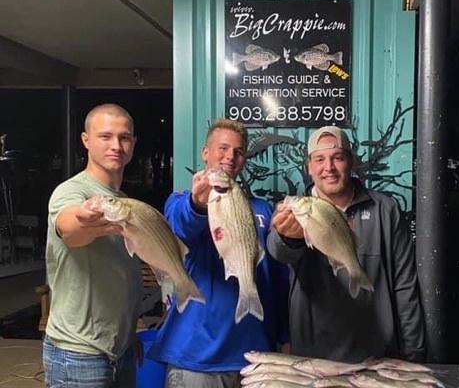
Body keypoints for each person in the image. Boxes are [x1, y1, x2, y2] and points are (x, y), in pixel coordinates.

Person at [148, 118, 289, 388]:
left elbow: (277, 278)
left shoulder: (262, 209)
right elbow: (181, 225)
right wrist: (198, 203)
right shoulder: (182, 200)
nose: (230, 157)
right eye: (222, 148)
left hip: (255, 358)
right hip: (197, 359)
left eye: (238, 151)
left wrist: (284, 335)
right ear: (206, 153)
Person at [267, 125, 426, 363]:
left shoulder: (385, 209)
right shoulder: (293, 211)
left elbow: (405, 285)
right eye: (319, 159)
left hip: (377, 357)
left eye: (337, 158)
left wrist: (414, 354)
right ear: (309, 167)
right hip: (314, 359)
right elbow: (278, 251)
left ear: (350, 162)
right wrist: (288, 237)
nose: (328, 168)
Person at [43, 103, 143, 387]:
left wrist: (128, 335)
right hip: (78, 356)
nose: (116, 145)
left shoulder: (120, 199)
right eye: (105, 136)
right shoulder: (72, 191)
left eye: (124, 137)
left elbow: (119, 273)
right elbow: (69, 229)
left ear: (133, 143)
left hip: (120, 351)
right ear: (86, 140)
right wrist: (84, 220)